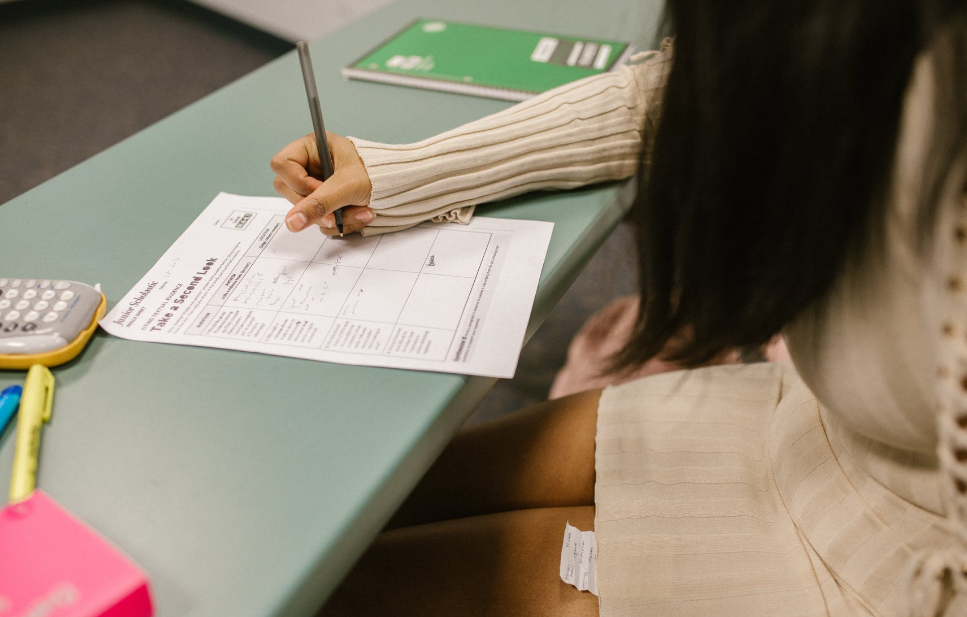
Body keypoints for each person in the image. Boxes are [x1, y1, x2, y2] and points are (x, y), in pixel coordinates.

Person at [271, 0, 967, 614]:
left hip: (900, 570)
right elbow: (689, 92)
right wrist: (404, 173)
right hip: (816, 425)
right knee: (339, 524)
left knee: (342, 587)